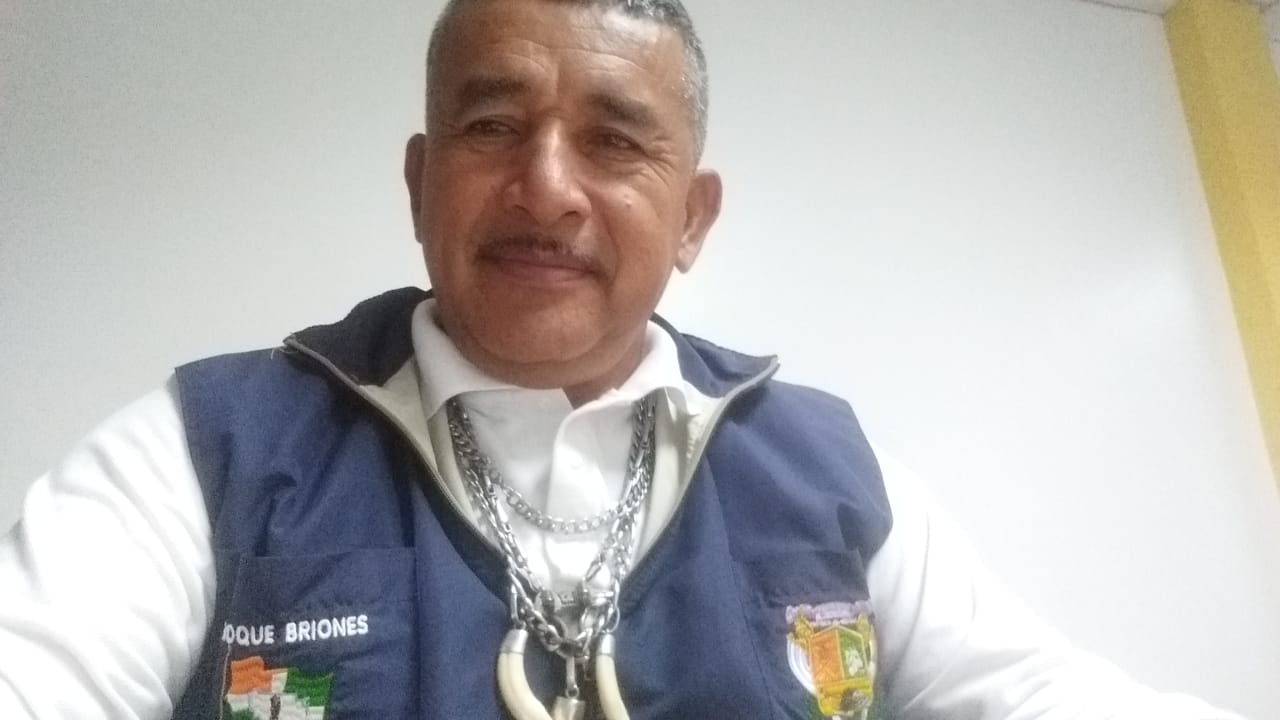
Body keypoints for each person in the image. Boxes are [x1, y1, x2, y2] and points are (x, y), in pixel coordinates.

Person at [0, 1, 1250, 718]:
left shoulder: (822, 463)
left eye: (613, 142)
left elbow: (1034, 691)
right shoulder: (206, 448)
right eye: (492, 125)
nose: (546, 187)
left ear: (692, 217)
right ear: (421, 183)